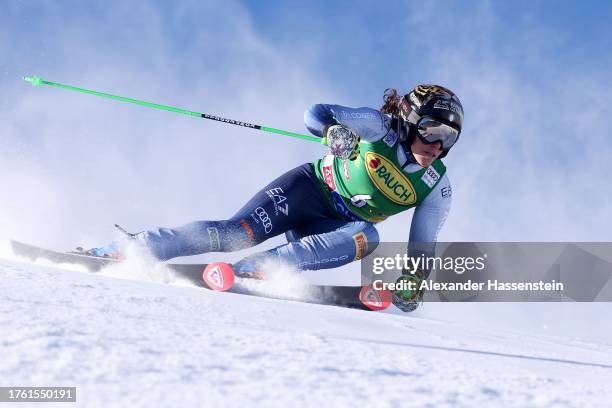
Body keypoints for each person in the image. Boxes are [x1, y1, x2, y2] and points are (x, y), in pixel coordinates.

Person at [88, 84, 464, 312]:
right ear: (410, 121)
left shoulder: (436, 186)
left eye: (449, 138)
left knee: (370, 236)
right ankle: (134, 248)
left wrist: (414, 281)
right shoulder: (377, 127)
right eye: (431, 131)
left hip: (335, 227)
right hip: (308, 190)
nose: (436, 145)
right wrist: (333, 131)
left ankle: (258, 269)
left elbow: (422, 247)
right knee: (238, 233)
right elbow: (315, 113)